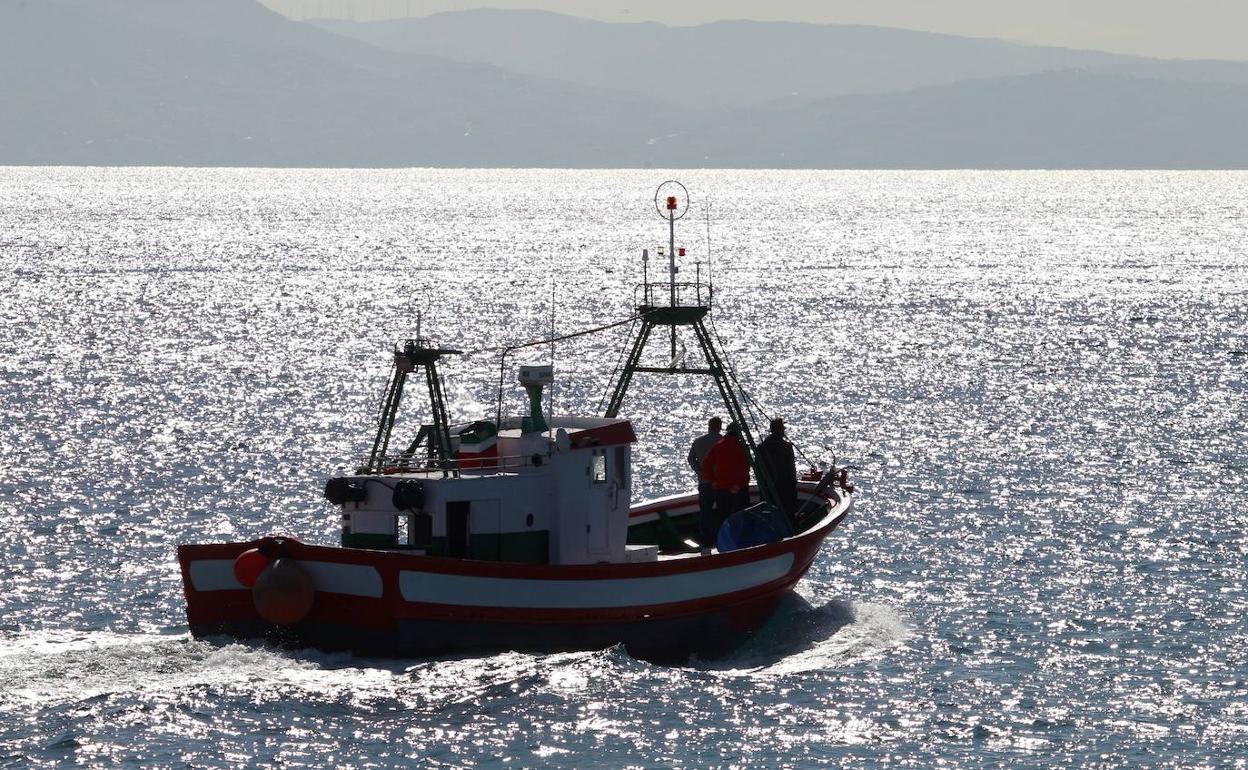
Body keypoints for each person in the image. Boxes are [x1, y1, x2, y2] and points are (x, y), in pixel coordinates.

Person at [700, 422, 751, 550]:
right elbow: (746, 467)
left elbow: (706, 465)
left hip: (721, 488)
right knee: (740, 517)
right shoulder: (742, 447)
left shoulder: (718, 446)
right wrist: (739, 485)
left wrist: (713, 481)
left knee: (722, 517)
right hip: (739, 489)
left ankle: (721, 544)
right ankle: (739, 544)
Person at [687, 417, 723, 551]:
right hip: (720, 482)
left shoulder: (698, 441)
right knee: (721, 510)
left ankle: (706, 542)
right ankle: (719, 538)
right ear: (719, 426)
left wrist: (699, 471)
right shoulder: (722, 441)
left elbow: (691, 459)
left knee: (705, 512)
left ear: (709, 426)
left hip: (704, 481)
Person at [758, 417, 799, 518]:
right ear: (780, 430)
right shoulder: (786, 447)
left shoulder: (761, 447)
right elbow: (791, 469)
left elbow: (757, 468)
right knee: (788, 511)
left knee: (768, 512)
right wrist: (794, 484)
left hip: (767, 485)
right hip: (784, 485)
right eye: (783, 430)